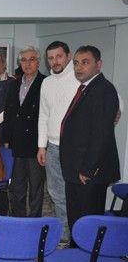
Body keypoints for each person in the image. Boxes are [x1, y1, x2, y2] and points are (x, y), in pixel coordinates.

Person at [59, 45, 120, 241]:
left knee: (87, 225)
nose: (79, 67)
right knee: (76, 221)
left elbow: (101, 136)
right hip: (76, 168)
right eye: (76, 63)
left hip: (89, 173)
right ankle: (75, 254)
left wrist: (87, 169)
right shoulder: (87, 88)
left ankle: (86, 258)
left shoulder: (104, 90)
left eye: (85, 62)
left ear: (98, 64)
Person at [36, 41, 77, 242]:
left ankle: (78, 233)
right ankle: (64, 232)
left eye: (59, 56)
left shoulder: (80, 78)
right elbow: (43, 116)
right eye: (51, 58)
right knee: (56, 193)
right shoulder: (47, 83)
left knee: (75, 191)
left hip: (74, 148)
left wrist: (117, 111)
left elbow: (112, 98)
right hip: (52, 146)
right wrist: (41, 146)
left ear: (68, 56)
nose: (55, 61)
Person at [3, 46, 46, 217]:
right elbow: (9, 112)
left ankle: (34, 220)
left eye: (32, 59)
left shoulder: (45, 83)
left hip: (36, 143)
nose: (27, 64)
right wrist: (6, 138)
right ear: (19, 63)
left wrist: (43, 145)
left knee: (36, 186)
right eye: (24, 60)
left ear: (38, 62)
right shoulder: (14, 84)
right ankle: (18, 219)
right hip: (17, 142)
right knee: (17, 186)